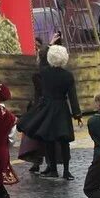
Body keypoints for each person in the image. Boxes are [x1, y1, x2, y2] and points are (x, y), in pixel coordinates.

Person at [21, 43, 81, 179]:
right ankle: (66, 170)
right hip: (61, 108)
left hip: (47, 107)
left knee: (48, 139)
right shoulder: (68, 76)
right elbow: (73, 96)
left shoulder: (43, 73)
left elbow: (40, 66)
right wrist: (77, 113)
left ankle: (52, 168)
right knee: (64, 140)